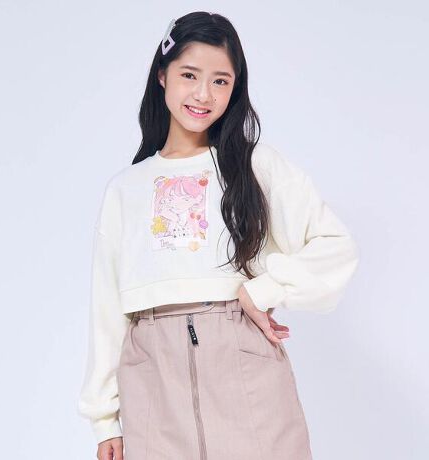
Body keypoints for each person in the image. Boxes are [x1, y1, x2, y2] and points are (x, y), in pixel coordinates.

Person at [77, 11, 360, 460]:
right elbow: (107, 309)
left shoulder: (255, 166)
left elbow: (335, 247)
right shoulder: (126, 189)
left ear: (235, 87)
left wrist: (263, 290)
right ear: (162, 75)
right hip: (153, 385)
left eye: (221, 81)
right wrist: (104, 419)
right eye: (189, 75)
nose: (203, 94)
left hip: (246, 373)